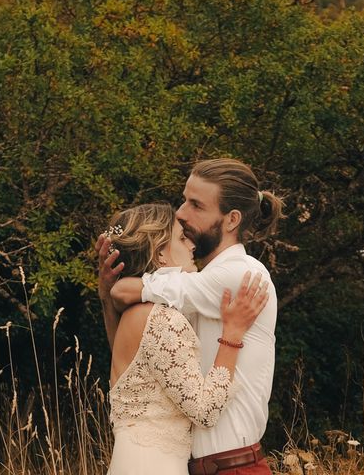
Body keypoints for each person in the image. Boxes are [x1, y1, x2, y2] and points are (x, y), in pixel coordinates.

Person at [98, 158, 284, 475]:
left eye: (196, 205)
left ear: (231, 219)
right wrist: (106, 295)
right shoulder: (180, 294)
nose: (182, 213)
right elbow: (138, 362)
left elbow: (127, 291)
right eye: (184, 199)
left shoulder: (240, 276)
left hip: (232, 467)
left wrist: (114, 290)